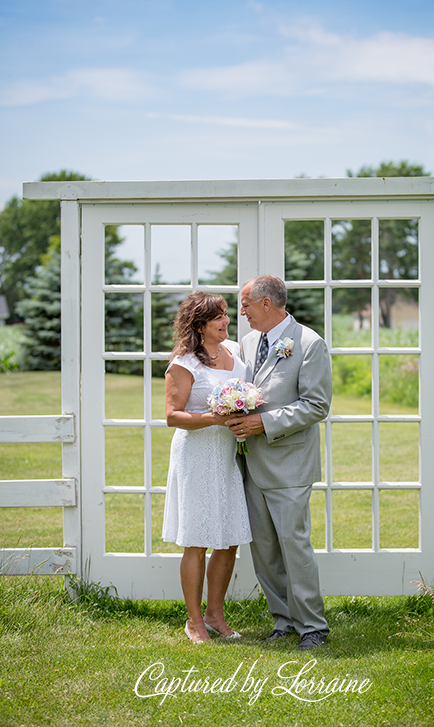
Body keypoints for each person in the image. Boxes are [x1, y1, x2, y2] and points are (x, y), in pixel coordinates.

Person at [225, 275, 332, 650]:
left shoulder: (309, 343)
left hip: (289, 463)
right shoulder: (248, 342)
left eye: (246, 305)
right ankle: (282, 620)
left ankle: (313, 626)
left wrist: (263, 423)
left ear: (267, 303)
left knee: (293, 543)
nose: (242, 313)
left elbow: (317, 405)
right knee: (265, 547)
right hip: (250, 462)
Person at [162, 291, 252, 644]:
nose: (227, 321)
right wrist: (214, 418)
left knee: (228, 540)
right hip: (195, 457)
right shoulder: (185, 363)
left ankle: (216, 614)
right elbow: (173, 416)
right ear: (200, 324)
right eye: (220, 317)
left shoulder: (236, 358)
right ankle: (194, 621)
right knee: (197, 540)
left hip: (227, 457)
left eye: (227, 315)